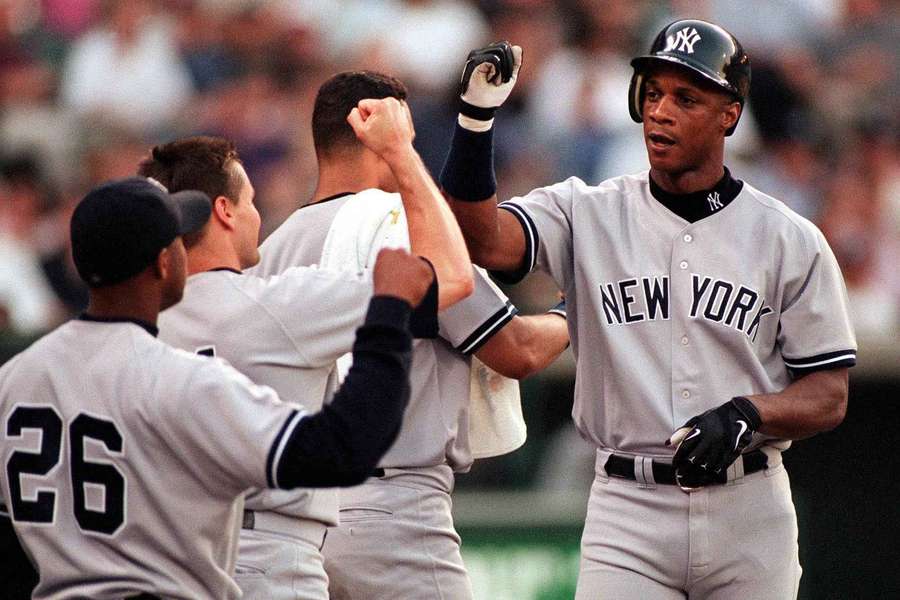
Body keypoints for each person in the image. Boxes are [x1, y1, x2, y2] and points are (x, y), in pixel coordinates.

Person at [440, 22, 856, 599]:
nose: (661, 112)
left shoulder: (789, 238)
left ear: (729, 115)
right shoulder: (586, 212)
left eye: (686, 98)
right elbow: (481, 240)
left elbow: (828, 393)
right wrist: (476, 122)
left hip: (748, 508)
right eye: (653, 93)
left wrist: (749, 413)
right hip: (626, 508)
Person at [0, 176, 434, 599]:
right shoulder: (178, 377)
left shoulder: (16, 377)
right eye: (177, 238)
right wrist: (389, 314)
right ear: (164, 262)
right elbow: (341, 451)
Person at [253, 70, 571, 600]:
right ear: (374, 131)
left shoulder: (270, 251)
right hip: (392, 509)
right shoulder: (400, 223)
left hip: (296, 521)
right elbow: (516, 348)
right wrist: (573, 313)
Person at [144, 95, 472, 600]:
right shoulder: (278, 304)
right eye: (250, 200)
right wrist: (402, 152)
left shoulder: (140, 323)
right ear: (225, 210)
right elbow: (450, 275)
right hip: (268, 554)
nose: (257, 213)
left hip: (170, 559)